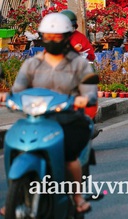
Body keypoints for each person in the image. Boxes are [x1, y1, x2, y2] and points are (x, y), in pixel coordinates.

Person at [1, 13, 97, 214]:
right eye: (48, 36)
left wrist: (82, 99)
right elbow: (18, 89)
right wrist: (7, 97)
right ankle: (15, 193)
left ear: (67, 36)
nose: (52, 41)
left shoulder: (79, 64)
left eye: (57, 37)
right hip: (37, 118)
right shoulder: (32, 63)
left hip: (68, 117)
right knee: (14, 142)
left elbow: (90, 92)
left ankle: (77, 197)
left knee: (70, 155)